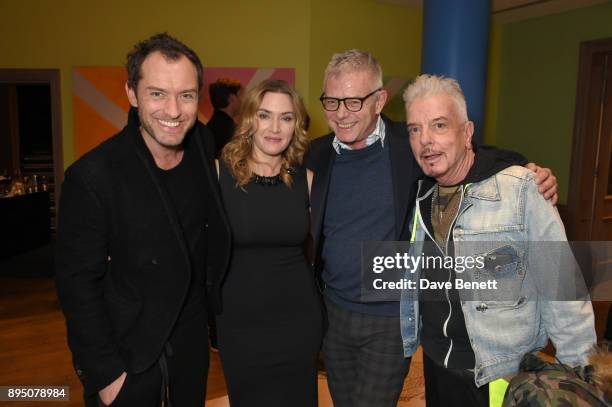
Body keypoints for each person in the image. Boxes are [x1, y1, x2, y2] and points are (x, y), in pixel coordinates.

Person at [305, 49, 560, 407]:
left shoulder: (407, 145)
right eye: (331, 101)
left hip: (389, 318)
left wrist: (528, 169)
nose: (341, 113)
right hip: (334, 314)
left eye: (353, 101)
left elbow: (469, 152)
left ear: (379, 101)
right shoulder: (316, 154)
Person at [55, 33, 230, 407]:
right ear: (132, 94)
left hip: (190, 343)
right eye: (157, 94)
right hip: (129, 352)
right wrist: (106, 376)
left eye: (186, 95)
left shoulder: (201, 142)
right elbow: (77, 284)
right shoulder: (93, 176)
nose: (173, 111)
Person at [399, 74, 596, 407]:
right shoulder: (420, 194)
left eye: (439, 125)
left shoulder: (520, 189)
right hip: (438, 366)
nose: (425, 141)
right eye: (415, 129)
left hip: (500, 374)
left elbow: (563, 289)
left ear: (467, 132)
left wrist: (580, 377)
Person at [213, 78, 324, 406]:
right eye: (265, 115)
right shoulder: (217, 175)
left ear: (296, 126)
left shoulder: (307, 181)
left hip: (298, 323)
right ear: (249, 120)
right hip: (239, 324)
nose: (275, 127)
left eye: (286, 117)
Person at [208, 78, 241, 157]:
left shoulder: (208, 127)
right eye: (241, 96)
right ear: (232, 98)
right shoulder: (233, 131)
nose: (243, 101)